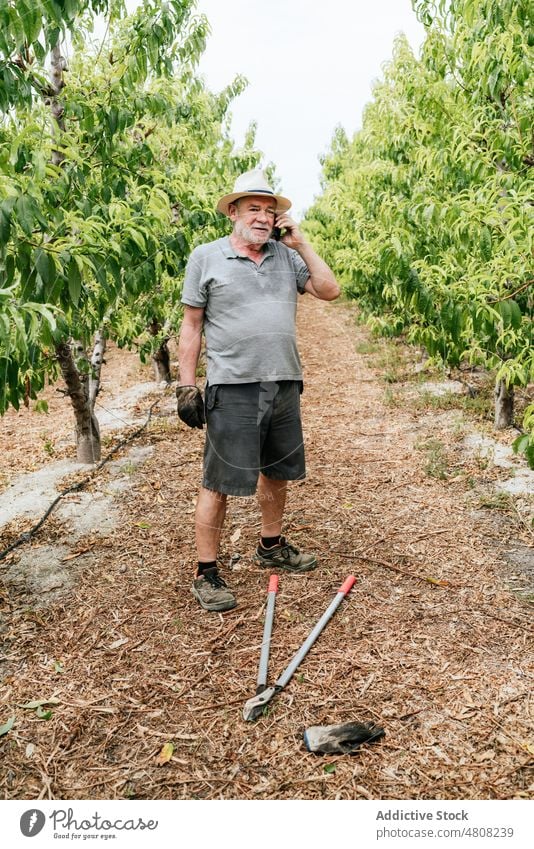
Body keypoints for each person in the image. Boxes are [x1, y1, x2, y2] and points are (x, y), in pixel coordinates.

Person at [176, 169, 340, 612]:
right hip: (233, 386)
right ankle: (206, 571)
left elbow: (330, 290)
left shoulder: (287, 258)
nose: (264, 218)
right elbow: (191, 327)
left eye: (271, 212)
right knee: (220, 481)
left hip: (283, 381)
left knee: (277, 472)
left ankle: (270, 545)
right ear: (233, 212)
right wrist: (186, 386)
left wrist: (301, 242)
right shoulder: (206, 258)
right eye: (254, 210)